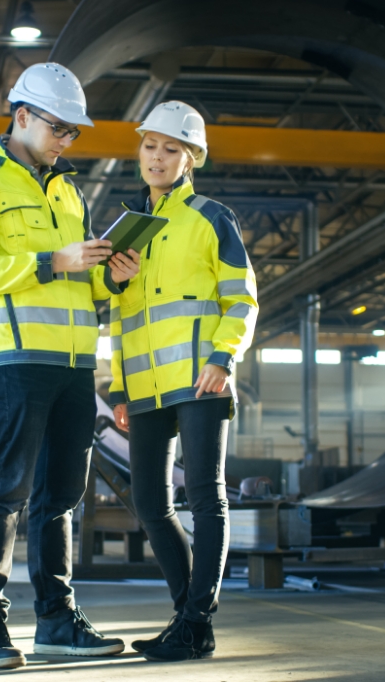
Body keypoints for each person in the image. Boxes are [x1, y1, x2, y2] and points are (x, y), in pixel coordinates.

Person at [0, 62, 140, 670]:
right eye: (59, 127)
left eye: (74, 132)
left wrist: (107, 277)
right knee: (7, 493)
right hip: (17, 363)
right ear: (21, 115)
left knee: (61, 498)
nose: (66, 140)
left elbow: (75, 287)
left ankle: (56, 621)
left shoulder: (68, 192)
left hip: (76, 368)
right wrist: (55, 258)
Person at [108, 101, 259, 662]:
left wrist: (223, 358)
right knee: (149, 500)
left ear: (191, 158)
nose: (157, 157)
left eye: (171, 149)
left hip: (201, 379)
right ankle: (187, 617)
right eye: (150, 146)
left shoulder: (212, 218)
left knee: (205, 498)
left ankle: (195, 620)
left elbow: (240, 297)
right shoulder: (128, 228)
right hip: (145, 387)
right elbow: (120, 314)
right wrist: (120, 386)